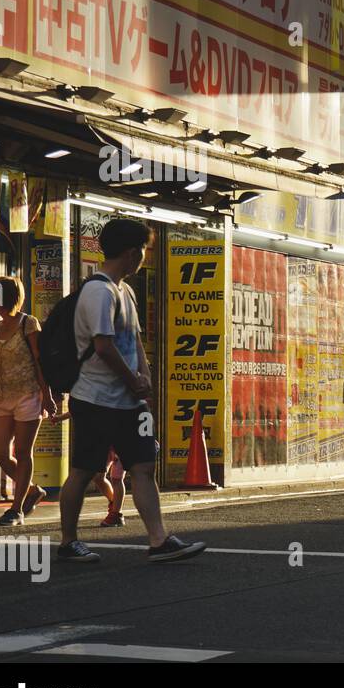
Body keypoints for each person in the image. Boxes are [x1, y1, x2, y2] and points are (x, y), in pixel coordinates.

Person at [57, 218, 205, 563]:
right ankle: (68, 542)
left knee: (142, 466)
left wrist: (146, 381)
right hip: (94, 397)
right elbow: (104, 345)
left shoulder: (126, 291)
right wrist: (132, 380)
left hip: (128, 400)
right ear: (130, 251)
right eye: (142, 250)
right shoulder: (99, 291)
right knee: (83, 470)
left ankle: (158, 540)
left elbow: (134, 341)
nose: (143, 257)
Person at [0, 276, 58, 525]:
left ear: (5, 296)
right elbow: (8, 363)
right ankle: (34, 491)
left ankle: (16, 509)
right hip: (4, 396)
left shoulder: (28, 323)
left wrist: (47, 395)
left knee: (23, 452)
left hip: (29, 394)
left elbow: (39, 361)